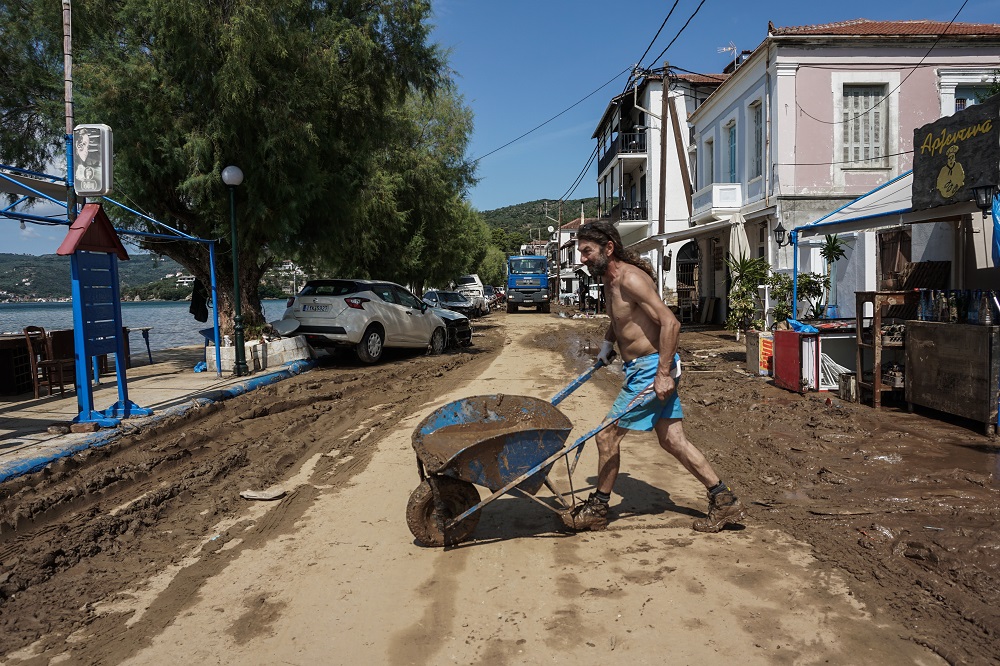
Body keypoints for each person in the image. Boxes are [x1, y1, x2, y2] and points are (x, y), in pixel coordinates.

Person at [563, 220, 746, 533]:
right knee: (672, 439)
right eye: (580, 251)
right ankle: (724, 501)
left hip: (651, 368)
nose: (582, 257)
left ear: (608, 247)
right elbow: (621, 319)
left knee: (606, 436)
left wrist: (663, 373)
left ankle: (597, 508)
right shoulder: (608, 279)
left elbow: (670, 323)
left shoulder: (630, 279)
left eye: (586, 251)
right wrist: (609, 344)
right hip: (641, 368)